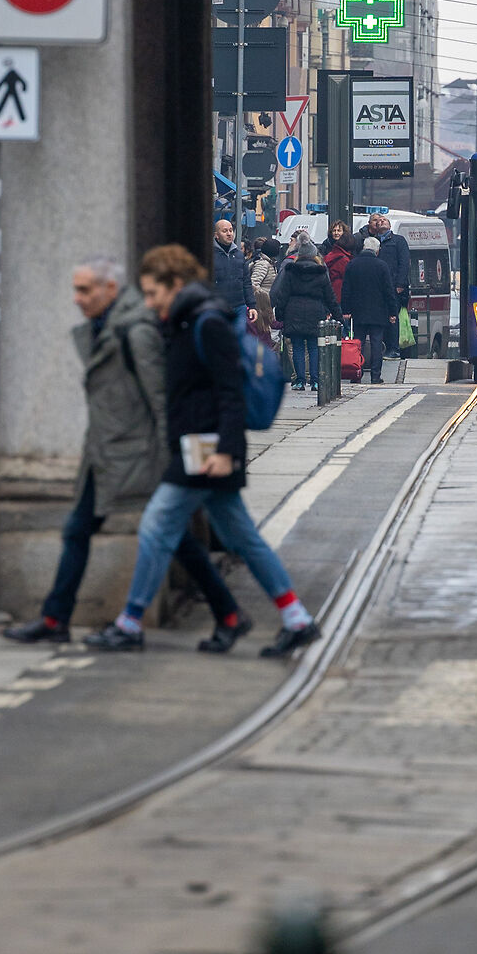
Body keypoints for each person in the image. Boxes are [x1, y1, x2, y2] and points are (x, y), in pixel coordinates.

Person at [3, 258, 249, 649]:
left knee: (170, 536)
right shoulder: (109, 327)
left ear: (111, 290)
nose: (77, 298)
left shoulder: (135, 333)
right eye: (76, 289)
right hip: (106, 452)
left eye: (85, 290)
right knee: (82, 530)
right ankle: (55, 617)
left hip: (136, 454)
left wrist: (171, 455)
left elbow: (161, 398)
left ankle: (227, 613)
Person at [86, 244, 318, 658]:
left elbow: (229, 392)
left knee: (157, 525)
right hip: (201, 444)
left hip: (208, 447)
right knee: (240, 536)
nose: (151, 303)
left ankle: (129, 623)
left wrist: (227, 450)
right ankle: (295, 618)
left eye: (154, 293)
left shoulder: (207, 323)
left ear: (175, 285)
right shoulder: (184, 320)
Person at [272, 235, 336, 392]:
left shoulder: (290, 271)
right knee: (314, 347)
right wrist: (337, 315)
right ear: (315, 255)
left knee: (298, 347)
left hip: (293, 312)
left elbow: (282, 294)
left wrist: (280, 315)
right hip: (316, 312)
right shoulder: (321, 272)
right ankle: (314, 380)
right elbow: (330, 296)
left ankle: (300, 380)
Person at [337, 236, 400, 385]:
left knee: (358, 344)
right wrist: (392, 312)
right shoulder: (382, 266)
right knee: (376, 344)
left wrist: (346, 310)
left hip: (358, 312)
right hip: (379, 313)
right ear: (377, 251)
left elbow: (346, 289)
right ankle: (375, 376)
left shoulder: (352, 264)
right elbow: (388, 292)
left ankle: (356, 374)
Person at [369, 213, 413, 356]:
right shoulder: (373, 241)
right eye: (379, 221)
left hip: (394, 285)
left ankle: (393, 348)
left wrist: (400, 283)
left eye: (384, 220)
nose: (381, 221)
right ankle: (380, 347)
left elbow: (404, 263)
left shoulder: (398, 241)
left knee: (393, 316)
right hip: (377, 287)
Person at [210, 216, 256, 315]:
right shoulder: (209, 255)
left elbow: (246, 282)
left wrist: (252, 306)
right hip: (217, 307)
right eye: (225, 231)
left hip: (239, 306)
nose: (229, 234)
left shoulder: (239, 254)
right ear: (216, 235)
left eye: (231, 230)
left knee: (239, 330)